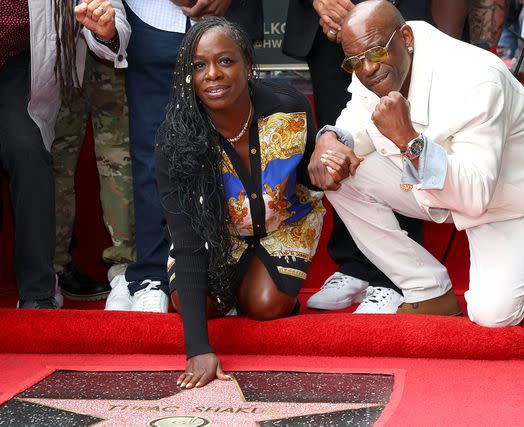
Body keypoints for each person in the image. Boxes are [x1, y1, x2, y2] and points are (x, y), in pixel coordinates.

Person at [308, 0, 524, 329]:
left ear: (405, 38)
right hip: (440, 183)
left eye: (375, 54)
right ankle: (427, 288)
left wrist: (408, 141)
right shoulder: (377, 57)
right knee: (341, 173)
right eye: (354, 63)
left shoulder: (477, 77)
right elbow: (357, 119)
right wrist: (332, 139)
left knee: (493, 316)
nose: (366, 69)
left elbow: (476, 195)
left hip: (515, 196)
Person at [155, 17, 324, 389]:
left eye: (225, 61)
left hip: (283, 222)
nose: (212, 74)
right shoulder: (176, 141)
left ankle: (261, 282)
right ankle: (237, 281)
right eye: (199, 65)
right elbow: (186, 241)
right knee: (193, 305)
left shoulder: (289, 107)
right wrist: (197, 348)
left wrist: (332, 144)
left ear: (248, 65)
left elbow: (314, 176)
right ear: (189, 75)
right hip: (216, 233)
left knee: (264, 306)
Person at [104, 0, 263, 313]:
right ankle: (151, 276)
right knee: (153, 152)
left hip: (230, 15)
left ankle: (228, 273)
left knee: (231, 146)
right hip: (152, 17)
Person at [283, 0, 432, 314]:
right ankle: (354, 265)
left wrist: (370, 10)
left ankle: (395, 277)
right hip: (328, 25)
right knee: (341, 144)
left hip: (393, 11)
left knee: (400, 130)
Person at [0, 0, 129, 309]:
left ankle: (38, 293)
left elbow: (110, 16)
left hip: (18, 64)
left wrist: (109, 30)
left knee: (27, 148)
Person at [52, 40, 135, 301]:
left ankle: (125, 271)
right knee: (55, 152)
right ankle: (49, 269)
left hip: (113, 30)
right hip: (58, 40)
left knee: (117, 154)